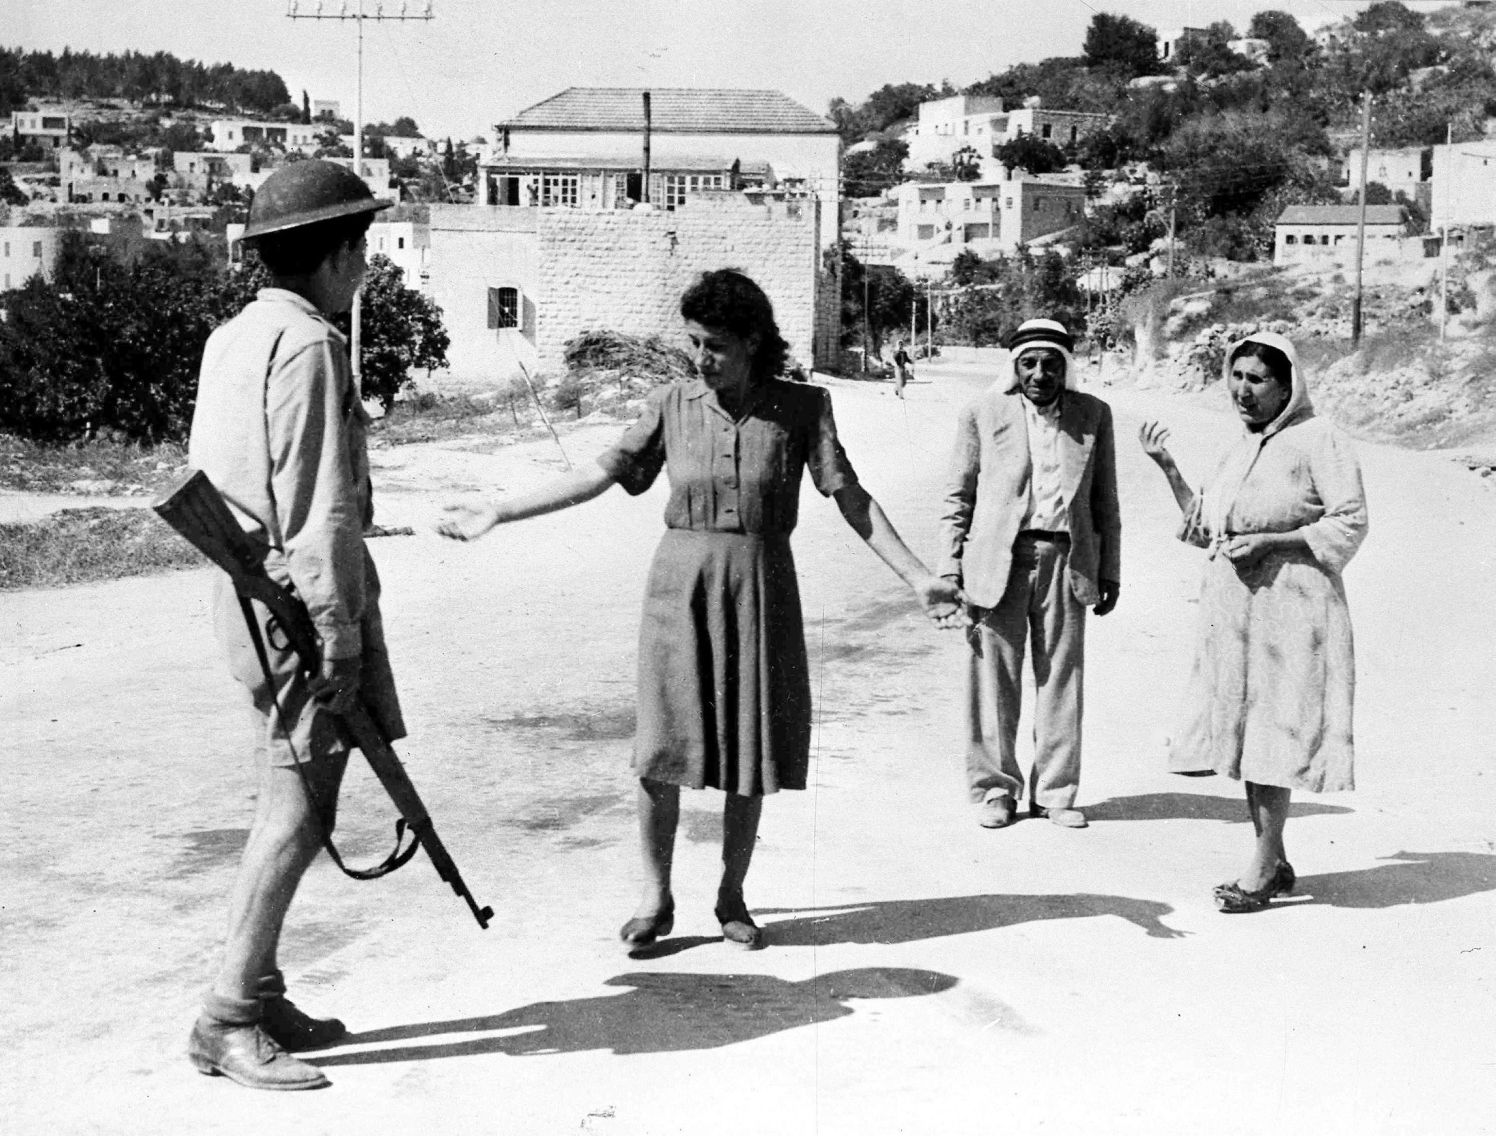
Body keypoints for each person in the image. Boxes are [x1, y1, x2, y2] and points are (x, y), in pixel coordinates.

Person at [440, 269, 966, 951]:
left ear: (752, 342)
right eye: (693, 342)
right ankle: (655, 897)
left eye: (714, 344)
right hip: (678, 589)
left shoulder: (804, 408)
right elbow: (599, 475)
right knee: (662, 747)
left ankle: (732, 895)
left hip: (761, 586)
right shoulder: (672, 403)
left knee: (750, 746)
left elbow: (852, 499)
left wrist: (919, 578)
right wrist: (499, 511)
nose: (700, 357)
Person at [184, 160, 400, 1089]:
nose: (367, 264)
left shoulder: (237, 334)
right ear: (336, 253)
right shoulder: (310, 345)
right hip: (301, 607)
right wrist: (340, 632)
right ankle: (227, 1016)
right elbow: (317, 507)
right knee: (301, 810)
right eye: (361, 247)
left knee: (290, 795)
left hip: (248, 594)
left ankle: (259, 990)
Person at [1140, 332, 1367, 913]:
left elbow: (1350, 522)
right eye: (1236, 376)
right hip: (1238, 612)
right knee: (1251, 735)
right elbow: (1205, 526)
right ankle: (1275, 859)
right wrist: (1168, 467)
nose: (1242, 390)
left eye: (1257, 379)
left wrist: (1275, 541)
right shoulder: (1241, 447)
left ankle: (1262, 871)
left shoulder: (1320, 439)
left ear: (1288, 386)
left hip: (1294, 606)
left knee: (1276, 732)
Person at [938, 317, 1121, 830]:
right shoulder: (982, 412)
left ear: (1067, 367)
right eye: (1030, 363)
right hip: (998, 562)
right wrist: (948, 567)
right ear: (1015, 368)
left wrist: (1111, 573)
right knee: (994, 678)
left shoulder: (1094, 416)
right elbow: (958, 497)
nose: (1040, 373)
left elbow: (1105, 502)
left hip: (1068, 560)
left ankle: (1054, 792)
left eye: (1051, 363)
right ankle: (995, 790)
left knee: (1062, 677)